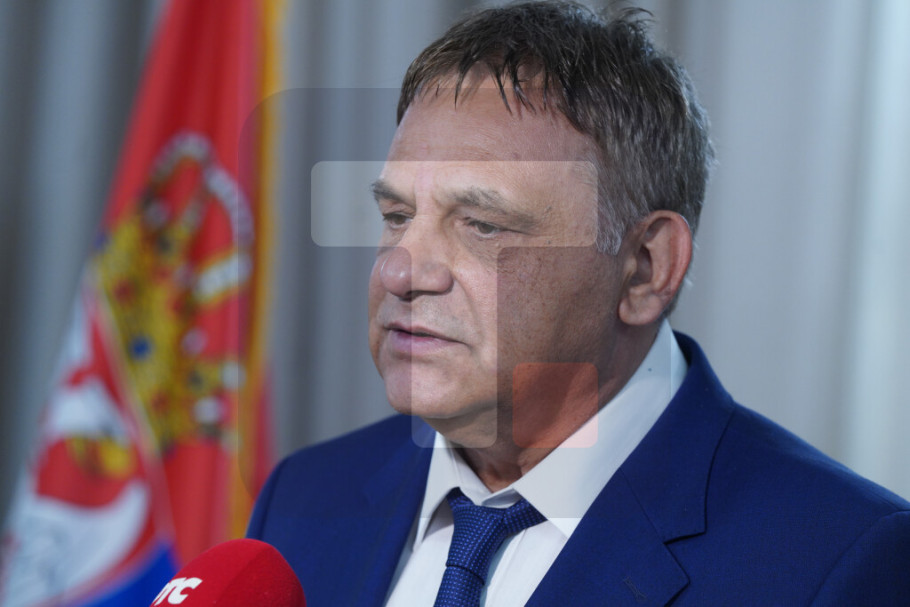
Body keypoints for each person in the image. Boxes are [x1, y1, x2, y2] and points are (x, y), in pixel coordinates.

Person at [248, 2, 910, 605]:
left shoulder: (838, 562)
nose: (397, 270)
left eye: (482, 224)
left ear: (645, 268)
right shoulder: (301, 499)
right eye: (396, 215)